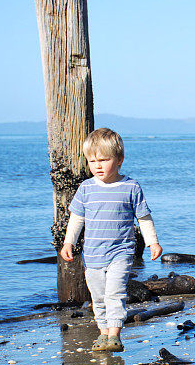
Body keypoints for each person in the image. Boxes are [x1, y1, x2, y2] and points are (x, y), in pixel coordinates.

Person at [60, 128, 162, 352]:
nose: (97, 166)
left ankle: (115, 334)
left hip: (121, 252)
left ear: (119, 160)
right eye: (92, 161)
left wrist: (152, 242)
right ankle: (103, 333)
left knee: (114, 293)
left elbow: (144, 218)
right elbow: (76, 219)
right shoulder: (86, 188)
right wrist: (69, 242)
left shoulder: (130, 187)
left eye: (104, 160)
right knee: (98, 297)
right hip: (93, 254)